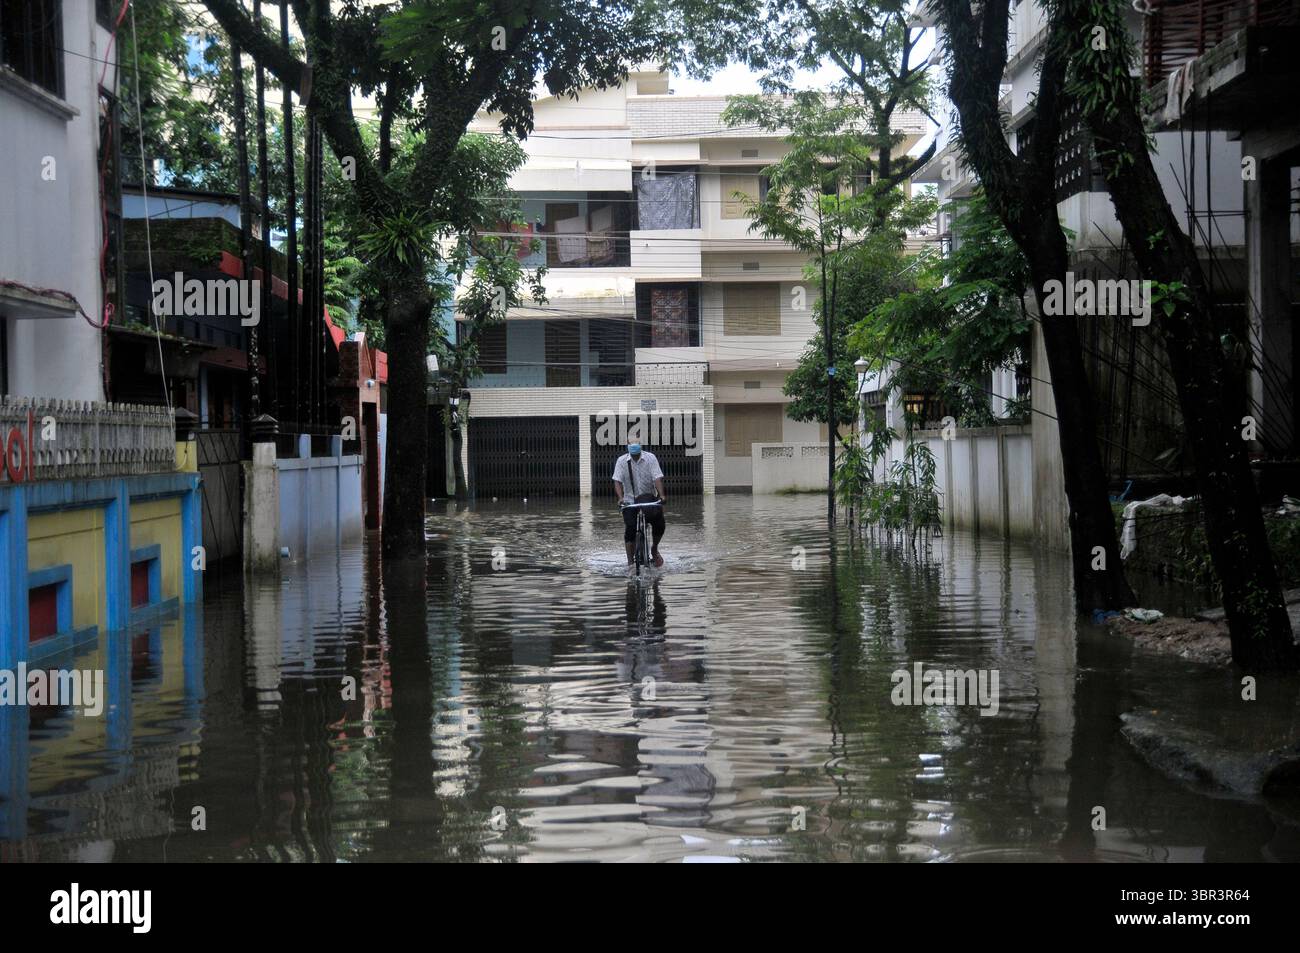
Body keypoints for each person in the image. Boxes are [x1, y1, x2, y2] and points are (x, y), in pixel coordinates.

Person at [612, 442, 665, 568]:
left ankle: (654, 548)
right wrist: (620, 498)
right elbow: (617, 481)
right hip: (629, 500)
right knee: (630, 529)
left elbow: (657, 477)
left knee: (659, 523)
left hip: (648, 499)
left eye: (637, 454)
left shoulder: (650, 458)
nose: (635, 456)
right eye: (633, 455)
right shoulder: (621, 461)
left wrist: (661, 495)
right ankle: (630, 562)